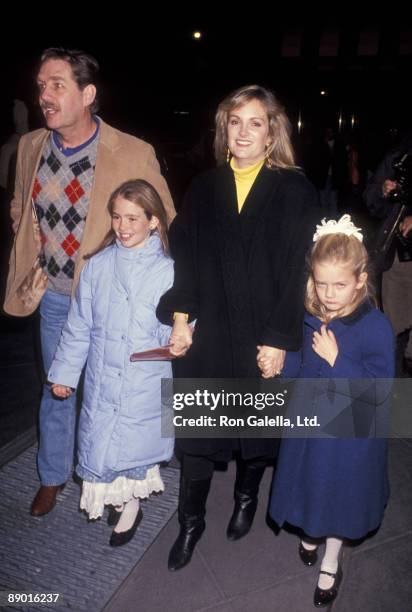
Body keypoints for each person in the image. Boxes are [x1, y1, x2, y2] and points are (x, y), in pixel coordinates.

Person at [3, 47, 175, 517]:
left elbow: (165, 219)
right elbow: (20, 205)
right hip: (57, 296)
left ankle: (121, 478)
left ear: (88, 93)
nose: (45, 95)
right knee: (58, 385)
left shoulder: (132, 151)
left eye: (57, 85)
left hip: (115, 297)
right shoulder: (32, 146)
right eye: (41, 86)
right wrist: (32, 245)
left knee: (117, 392)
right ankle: (52, 475)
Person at [157, 84, 320, 571]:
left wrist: (278, 340)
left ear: (272, 133)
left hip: (263, 332)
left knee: (254, 432)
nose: (244, 131)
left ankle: (246, 498)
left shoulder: (294, 189)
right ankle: (191, 522)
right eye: (235, 121)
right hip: (210, 333)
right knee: (199, 436)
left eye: (256, 122)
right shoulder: (204, 188)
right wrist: (181, 321)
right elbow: (185, 258)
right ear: (223, 130)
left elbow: (298, 269)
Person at [269, 215, 395, 608]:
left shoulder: (374, 326)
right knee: (311, 481)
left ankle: (331, 558)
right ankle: (311, 528)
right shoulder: (311, 315)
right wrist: (279, 366)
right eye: (321, 284)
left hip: (350, 432)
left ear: (360, 280)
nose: (328, 294)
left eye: (339, 285)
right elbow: (301, 361)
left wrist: (339, 360)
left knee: (339, 493)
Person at [47, 179, 174, 546]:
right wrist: (66, 374)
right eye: (117, 217)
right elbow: (79, 326)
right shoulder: (97, 267)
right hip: (103, 375)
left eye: (133, 218)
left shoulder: (169, 272)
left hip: (145, 380)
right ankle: (119, 497)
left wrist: (177, 338)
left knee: (136, 446)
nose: (123, 226)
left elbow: (180, 327)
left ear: (153, 221)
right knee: (104, 444)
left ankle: (131, 504)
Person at [364, 133, 412, 376]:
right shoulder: (399, 155)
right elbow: (370, 199)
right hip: (400, 257)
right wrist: (383, 190)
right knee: (392, 331)